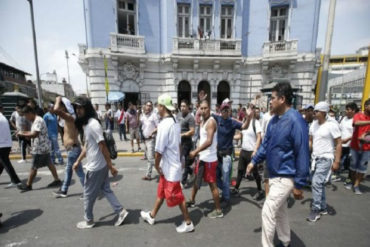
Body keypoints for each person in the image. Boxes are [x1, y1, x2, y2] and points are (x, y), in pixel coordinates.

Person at [246, 82, 309, 247]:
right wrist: (253, 161)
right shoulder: (274, 120)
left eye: (272, 98)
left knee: (267, 211)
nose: (270, 102)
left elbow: (302, 152)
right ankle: (285, 240)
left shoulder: (296, 120)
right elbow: (266, 146)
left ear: (282, 99)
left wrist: (299, 184)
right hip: (273, 174)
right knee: (280, 212)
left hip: (286, 176)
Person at [140, 94, 194, 233]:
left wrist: (157, 166)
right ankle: (152, 216)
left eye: (158, 105)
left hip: (170, 168)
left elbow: (158, 152)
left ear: (162, 107)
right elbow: (178, 144)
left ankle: (188, 222)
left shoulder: (164, 125)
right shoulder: (175, 120)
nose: (156, 108)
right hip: (171, 165)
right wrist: (180, 159)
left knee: (177, 195)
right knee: (162, 193)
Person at [72, 97, 128, 229]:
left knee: (87, 195)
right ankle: (121, 212)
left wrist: (111, 167)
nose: (78, 110)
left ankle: (89, 220)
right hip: (99, 166)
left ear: (87, 109)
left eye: (80, 108)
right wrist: (78, 161)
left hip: (96, 167)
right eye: (77, 108)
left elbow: (103, 146)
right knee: (106, 190)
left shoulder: (93, 125)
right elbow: (87, 146)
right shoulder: (88, 124)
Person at [185, 100, 223, 218]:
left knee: (212, 185)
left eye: (205, 108)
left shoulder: (211, 122)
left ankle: (218, 211)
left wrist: (196, 151)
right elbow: (202, 140)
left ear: (209, 108)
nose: (203, 110)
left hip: (210, 160)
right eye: (201, 108)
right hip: (203, 157)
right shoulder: (202, 121)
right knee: (197, 179)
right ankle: (192, 200)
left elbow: (209, 141)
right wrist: (198, 152)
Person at [212, 103, 252, 207]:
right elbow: (206, 114)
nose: (225, 111)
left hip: (226, 156)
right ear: (221, 111)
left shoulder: (232, 122)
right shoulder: (218, 118)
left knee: (225, 179)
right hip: (217, 155)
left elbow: (244, 126)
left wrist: (248, 117)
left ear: (229, 111)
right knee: (215, 178)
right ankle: (226, 191)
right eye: (223, 110)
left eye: (227, 110)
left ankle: (226, 198)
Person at [307, 101, 341, 222]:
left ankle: (316, 210)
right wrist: (309, 148)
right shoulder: (314, 124)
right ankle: (323, 207)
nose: (314, 113)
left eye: (316, 111)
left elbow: (339, 143)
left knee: (316, 182)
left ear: (323, 112)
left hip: (326, 158)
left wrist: (337, 161)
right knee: (318, 183)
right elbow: (311, 139)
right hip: (315, 158)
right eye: (314, 111)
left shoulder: (332, 125)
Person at [17, 105, 62, 191]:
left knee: (34, 167)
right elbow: (33, 132)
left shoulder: (38, 121)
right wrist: (23, 132)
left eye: (26, 116)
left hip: (39, 148)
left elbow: (34, 134)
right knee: (50, 164)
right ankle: (57, 180)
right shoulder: (36, 120)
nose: (26, 118)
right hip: (44, 147)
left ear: (30, 113)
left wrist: (22, 134)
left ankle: (28, 185)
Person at [52, 96, 85, 198]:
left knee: (77, 171)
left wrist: (58, 99)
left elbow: (56, 110)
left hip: (73, 148)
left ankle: (66, 190)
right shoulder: (71, 117)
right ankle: (64, 189)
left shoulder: (70, 117)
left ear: (64, 106)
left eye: (61, 106)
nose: (59, 107)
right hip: (73, 148)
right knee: (71, 170)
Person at [232, 105, 263, 200]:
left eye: (248, 110)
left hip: (251, 152)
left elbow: (259, 137)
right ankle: (236, 188)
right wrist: (230, 137)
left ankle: (259, 190)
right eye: (245, 110)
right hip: (243, 151)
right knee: (240, 170)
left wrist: (255, 150)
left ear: (252, 111)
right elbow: (240, 135)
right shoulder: (245, 122)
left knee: (255, 173)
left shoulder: (256, 123)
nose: (246, 112)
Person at [345, 99, 370, 195]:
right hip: (355, 146)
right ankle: (351, 180)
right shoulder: (358, 115)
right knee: (353, 166)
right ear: (366, 106)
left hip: (367, 148)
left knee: (362, 167)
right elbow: (356, 123)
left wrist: (366, 135)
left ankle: (356, 185)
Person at [0, 103, 24, 189]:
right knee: (2, 162)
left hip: (2, 145)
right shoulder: (3, 118)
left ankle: (16, 181)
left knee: (5, 163)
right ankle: (16, 180)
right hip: (7, 144)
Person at [333, 102, 358, 183]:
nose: (346, 111)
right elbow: (340, 129)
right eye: (346, 109)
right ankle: (335, 174)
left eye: (348, 109)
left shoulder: (356, 120)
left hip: (351, 145)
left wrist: (348, 139)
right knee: (338, 159)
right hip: (341, 144)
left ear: (353, 110)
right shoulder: (343, 118)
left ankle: (350, 178)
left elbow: (356, 133)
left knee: (350, 163)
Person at [177, 100, 195, 186]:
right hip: (179, 142)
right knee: (183, 162)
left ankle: (183, 182)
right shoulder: (178, 115)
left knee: (184, 161)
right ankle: (191, 172)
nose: (182, 108)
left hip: (187, 143)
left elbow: (192, 131)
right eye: (181, 106)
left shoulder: (190, 117)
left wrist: (182, 134)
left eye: (184, 106)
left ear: (188, 107)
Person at [140, 101, 159, 181]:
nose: (148, 107)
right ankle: (148, 175)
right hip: (145, 140)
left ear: (152, 107)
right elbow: (140, 124)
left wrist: (153, 132)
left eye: (150, 106)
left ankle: (162, 173)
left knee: (151, 158)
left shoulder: (154, 116)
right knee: (148, 158)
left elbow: (158, 127)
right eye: (147, 105)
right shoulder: (143, 116)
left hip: (151, 139)